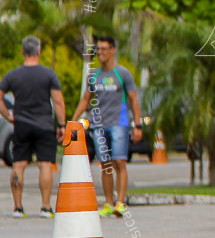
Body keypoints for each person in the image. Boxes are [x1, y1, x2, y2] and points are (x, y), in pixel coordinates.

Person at [70, 36, 143, 217]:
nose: (100, 53)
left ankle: (120, 202)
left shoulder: (123, 74)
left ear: (113, 50)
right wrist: (73, 120)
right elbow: (86, 100)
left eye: (104, 49)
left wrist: (138, 124)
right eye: (98, 49)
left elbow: (133, 99)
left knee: (120, 161)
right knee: (105, 165)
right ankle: (109, 203)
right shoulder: (94, 76)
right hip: (99, 126)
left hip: (120, 123)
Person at [0, 36, 65, 218]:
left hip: (21, 125)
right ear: (39, 52)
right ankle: (45, 207)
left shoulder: (12, 75)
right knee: (45, 164)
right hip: (44, 125)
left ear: (22, 52)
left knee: (19, 165)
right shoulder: (49, 74)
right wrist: (62, 124)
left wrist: (8, 116)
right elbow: (58, 101)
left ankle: (18, 208)